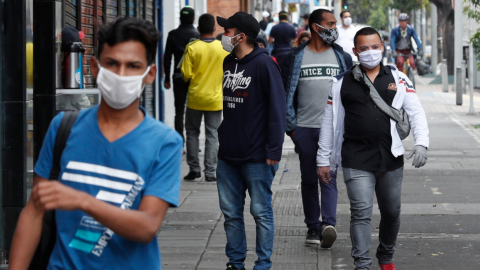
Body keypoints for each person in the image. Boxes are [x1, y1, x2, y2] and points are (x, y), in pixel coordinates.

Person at [9, 18, 183, 269]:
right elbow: (34, 211)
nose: (121, 75)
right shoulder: (64, 128)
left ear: (150, 74)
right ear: (95, 67)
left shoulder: (165, 143)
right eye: (112, 63)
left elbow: (147, 226)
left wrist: (83, 201)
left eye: (133, 66)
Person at [316, 27, 429, 270]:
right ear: (355, 52)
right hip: (355, 157)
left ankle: (386, 257)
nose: (370, 53)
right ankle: (362, 264)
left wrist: (421, 143)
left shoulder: (399, 78)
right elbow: (329, 122)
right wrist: (323, 160)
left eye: (374, 47)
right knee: (360, 212)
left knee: (391, 212)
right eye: (364, 49)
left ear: (383, 47)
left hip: (391, 158)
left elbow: (416, 112)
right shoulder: (340, 83)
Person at [216, 11, 286, 270]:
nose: (223, 35)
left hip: (257, 155)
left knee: (261, 213)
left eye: (227, 31)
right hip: (228, 154)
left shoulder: (265, 64)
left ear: (241, 36)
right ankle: (235, 263)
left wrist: (273, 150)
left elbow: (277, 109)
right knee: (231, 214)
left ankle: (263, 264)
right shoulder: (227, 62)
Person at [281, 8, 353, 248]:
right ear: (315, 27)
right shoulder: (295, 57)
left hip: (332, 131)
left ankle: (328, 225)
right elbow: (286, 96)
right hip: (305, 128)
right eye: (330, 24)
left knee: (329, 176)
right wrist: (292, 129)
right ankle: (313, 227)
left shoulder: (342, 57)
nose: (335, 28)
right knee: (309, 179)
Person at [180, 14, 229, 182]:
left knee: (192, 133)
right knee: (213, 134)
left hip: (195, 97)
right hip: (215, 98)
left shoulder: (192, 47)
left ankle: (194, 169)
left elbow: (186, 75)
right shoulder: (222, 48)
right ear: (215, 29)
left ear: (198, 29)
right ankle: (210, 172)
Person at [163, 6, 200, 143]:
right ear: (193, 19)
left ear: (180, 18)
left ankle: (180, 141)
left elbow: (167, 59)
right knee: (194, 110)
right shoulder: (197, 36)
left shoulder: (172, 34)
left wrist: (167, 78)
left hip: (178, 77)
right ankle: (193, 141)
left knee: (179, 111)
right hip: (194, 78)